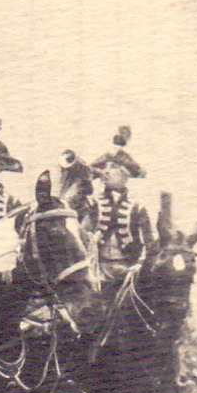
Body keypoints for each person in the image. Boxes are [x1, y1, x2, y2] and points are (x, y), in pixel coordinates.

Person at [85, 126, 153, 297]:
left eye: (113, 167)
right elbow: (82, 235)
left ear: (125, 174)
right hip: (98, 272)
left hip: (128, 272)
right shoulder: (94, 204)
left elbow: (148, 243)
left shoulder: (137, 208)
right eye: (105, 168)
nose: (105, 172)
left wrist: (139, 265)